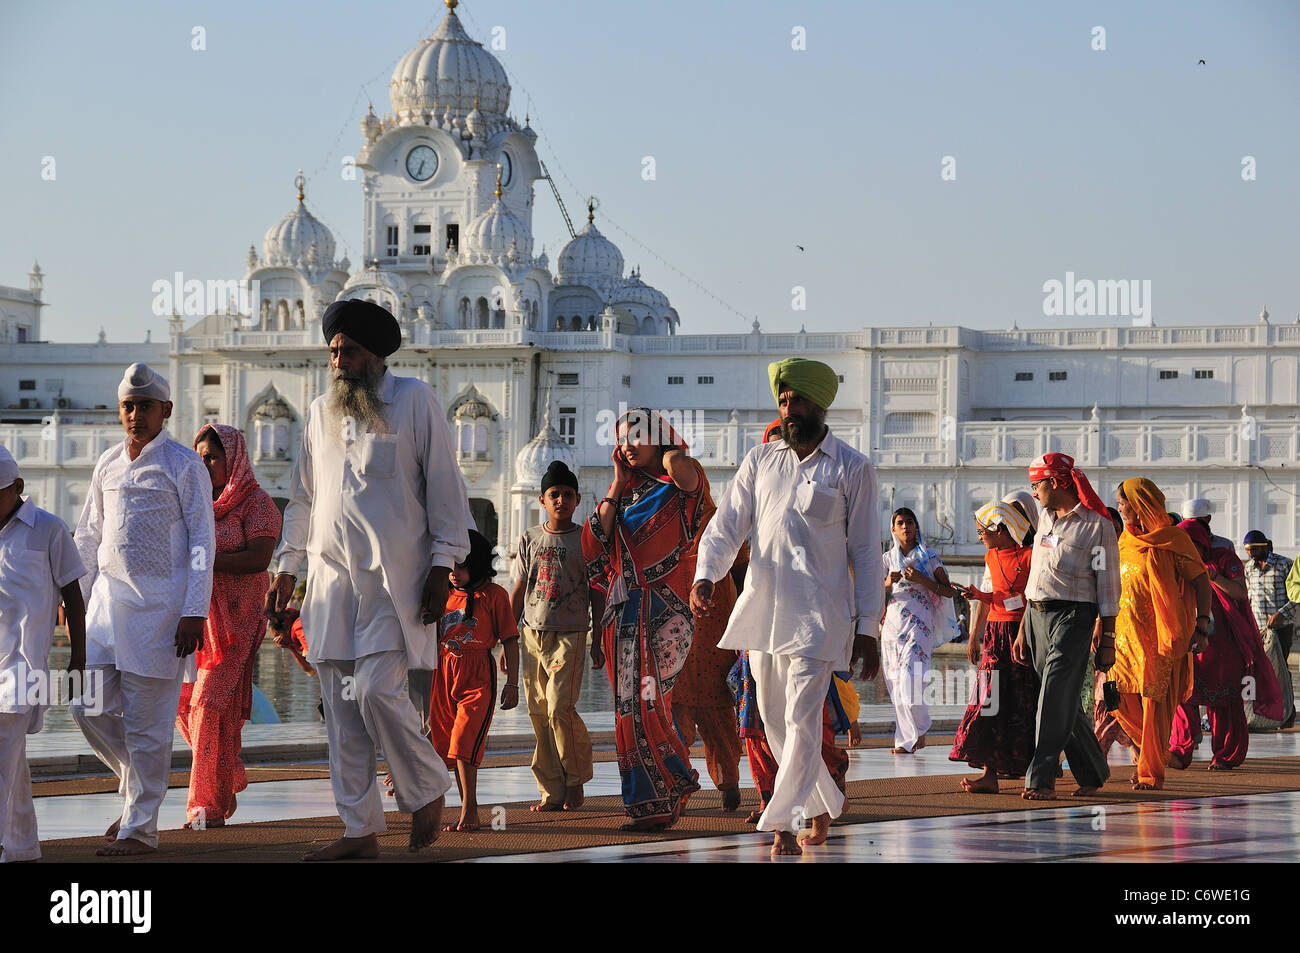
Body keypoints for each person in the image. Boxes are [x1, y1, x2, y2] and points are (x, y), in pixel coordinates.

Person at [264, 299, 470, 859]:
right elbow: (304, 498)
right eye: (333, 351)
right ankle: (360, 832)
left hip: (393, 582)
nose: (338, 362)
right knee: (342, 712)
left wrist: (442, 565)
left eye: (349, 351)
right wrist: (287, 567)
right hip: (330, 584)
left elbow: (446, 490)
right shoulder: (317, 414)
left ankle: (427, 789)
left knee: (379, 690)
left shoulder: (414, 401)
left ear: (376, 355)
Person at [691, 358, 881, 856]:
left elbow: (864, 551)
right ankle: (820, 802)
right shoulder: (761, 462)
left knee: (800, 717)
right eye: (782, 400)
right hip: (763, 610)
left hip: (820, 617)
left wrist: (869, 629)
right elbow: (728, 524)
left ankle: (783, 820)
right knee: (772, 719)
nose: (788, 409)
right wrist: (707, 575)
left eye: (796, 400)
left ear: (820, 406)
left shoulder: (853, 468)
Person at [72, 363, 215, 855]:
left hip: (162, 615)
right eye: (128, 407)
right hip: (106, 610)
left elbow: (202, 540)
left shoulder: (184, 464)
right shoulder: (108, 462)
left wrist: (195, 610)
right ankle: (136, 790)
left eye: (146, 407)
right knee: (83, 702)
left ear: (166, 411)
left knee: (148, 726)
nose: (136, 415)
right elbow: (89, 536)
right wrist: (75, 603)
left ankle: (140, 831)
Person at [582, 408, 706, 831]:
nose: (629, 445)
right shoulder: (624, 495)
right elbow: (592, 545)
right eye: (622, 438)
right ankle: (662, 795)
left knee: (649, 702)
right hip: (625, 617)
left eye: (638, 436)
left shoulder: (678, 485)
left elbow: (688, 479)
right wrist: (617, 482)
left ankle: (668, 788)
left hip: (665, 613)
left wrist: (669, 454)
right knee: (630, 707)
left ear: (659, 438)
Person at [178, 424, 281, 829]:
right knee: (184, 704)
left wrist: (201, 562)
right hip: (197, 621)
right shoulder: (194, 504)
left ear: (233, 459)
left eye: (213, 457)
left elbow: (259, 559)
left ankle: (202, 806)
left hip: (236, 626)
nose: (204, 465)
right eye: (200, 457)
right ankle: (226, 775)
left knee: (207, 706)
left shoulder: (258, 505)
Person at [0, 445, 87, 863]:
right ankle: (22, 847)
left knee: (2, 759)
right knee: (11, 767)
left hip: (23, 668)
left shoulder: (48, 529)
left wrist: (78, 657)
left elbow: (72, 593)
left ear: (18, 487)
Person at [1012, 452, 1116, 800]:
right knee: (1064, 700)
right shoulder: (1044, 519)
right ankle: (1093, 770)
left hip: (1074, 617)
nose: (1034, 491)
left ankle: (1040, 778)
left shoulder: (1096, 525)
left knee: (1053, 697)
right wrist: (1025, 624)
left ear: (1055, 483)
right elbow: (1036, 575)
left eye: (1036, 484)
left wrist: (1108, 638)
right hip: (1037, 615)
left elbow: (1108, 584)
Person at [1108, 478, 1213, 790]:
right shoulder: (1123, 542)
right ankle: (1155, 753)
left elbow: (1202, 581)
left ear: (1139, 504)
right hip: (1124, 638)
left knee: (1154, 704)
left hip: (1160, 638)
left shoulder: (1172, 541)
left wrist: (1202, 625)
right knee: (1118, 701)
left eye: (1122, 502)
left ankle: (1151, 772)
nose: (1118, 508)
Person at [510, 460, 601, 813]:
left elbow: (596, 589)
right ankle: (552, 789)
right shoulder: (530, 538)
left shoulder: (585, 540)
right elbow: (519, 588)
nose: (560, 500)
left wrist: (598, 639)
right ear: (542, 500)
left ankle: (575, 779)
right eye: (554, 494)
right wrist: (506, 637)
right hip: (533, 635)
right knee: (538, 710)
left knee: (560, 708)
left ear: (577, 500)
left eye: (567, 494)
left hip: (571, 634)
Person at [1169, 519, 1282, 769]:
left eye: (1188, 544)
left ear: (1200, 542)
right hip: (1191, 639)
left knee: (1223, 701)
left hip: (1223, 644)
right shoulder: (1179, 562)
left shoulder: (1224, 559)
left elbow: (1240, 593)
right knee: (1183, 693)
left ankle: (1225, 755)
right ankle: (1179, 750)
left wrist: (1212, 576)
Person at [430, 530, 519, 831]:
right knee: (444, 741)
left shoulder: (495, 596)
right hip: (444, 672)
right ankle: (431, 799)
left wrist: (513, 683)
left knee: (464, 741)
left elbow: (509, 640)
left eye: (462, 567)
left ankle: (470, 808)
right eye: (452, 567)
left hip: (478, 673)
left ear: (478, 564)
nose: (455, 574)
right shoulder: (444, 591)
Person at [950, 500, 1038, 793]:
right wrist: (977, 595)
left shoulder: (1030, 556)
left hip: (1020, 634)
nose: (979, 535)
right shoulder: (990, 557)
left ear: (1000, 529)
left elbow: (1032, 598)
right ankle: (989, 773)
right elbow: (998, 596)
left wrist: (1023, 632)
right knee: (989, 700)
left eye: (982, 530)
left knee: (1020, 702)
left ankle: (1030, 771)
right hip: (995, 635)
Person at [881, 507, 957, 754]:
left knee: (910, 679)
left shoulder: (929, 557)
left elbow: (949, 590)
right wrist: (887, 582)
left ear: (916, 527)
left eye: (910, 522)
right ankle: (908, 738)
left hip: (919, 623)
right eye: (900, 523)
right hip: (893, 626)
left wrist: (922, 579)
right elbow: (871, 592)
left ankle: (919, 727)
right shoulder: (886, 559)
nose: (905, 527)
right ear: (893, 529)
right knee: (895, 682)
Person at [1243, 530, 1295, 729]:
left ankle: (1288, 713)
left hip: (1281, 627)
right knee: (1260, 670)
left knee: (1280, 669)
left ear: (1264, 547)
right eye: (1248, 550)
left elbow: (1296, 595)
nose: (1251, 554)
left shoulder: (1284, 565)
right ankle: (1265, 710)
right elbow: (1248, 598)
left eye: (1254, 549)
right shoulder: (1249, 569)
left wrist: (1281, 613)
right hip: (1258, 629)